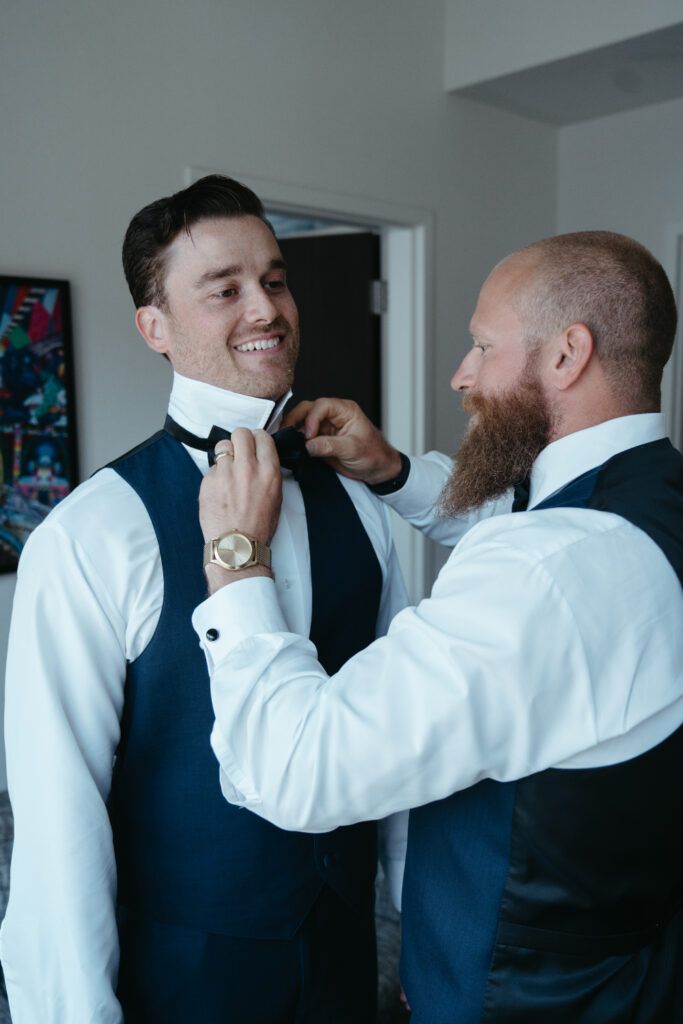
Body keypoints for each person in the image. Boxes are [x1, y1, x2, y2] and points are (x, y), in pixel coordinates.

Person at [194, 230, 683, 1023]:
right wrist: (390, 469)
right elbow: (540, 520)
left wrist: (235, 554)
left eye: (481, 346)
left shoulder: (541, 575)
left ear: (567, 355)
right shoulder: (649, 501)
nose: (461, 375)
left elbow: (296, 767)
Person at [0, 175, 409, 1023]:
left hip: (344, 963)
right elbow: (56, 820)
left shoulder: (364, 506)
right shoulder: (90, 534)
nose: (264, 308)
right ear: (155, 327)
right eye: (224, 289)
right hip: (180, 976)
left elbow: (400, 742)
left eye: (275, 279)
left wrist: (427, 937)